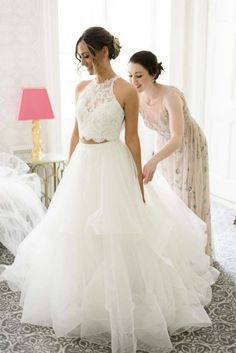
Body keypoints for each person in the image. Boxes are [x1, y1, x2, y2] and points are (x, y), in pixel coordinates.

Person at [0, 27, 219, 353]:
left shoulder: (125, 91)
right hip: (84, 166)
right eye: (80, 57)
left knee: (118, 234)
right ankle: (84, 296)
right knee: (76, 232)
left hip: (112, 163)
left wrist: (138, 180)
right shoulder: (81, 88)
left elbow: (131, 138)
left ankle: (121, 297)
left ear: (104, 51)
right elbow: (75, 133)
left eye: (87, 55)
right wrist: (68, 171)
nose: (84, 62)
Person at [128, 50, 213, 259]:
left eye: (139, 75)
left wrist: (153, 161)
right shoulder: (136, 98)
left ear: (153, 74)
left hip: (188, 145)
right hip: (163, 146)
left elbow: (177, 137)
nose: (133, 80)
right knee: (169, 198)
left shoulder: (170, 96)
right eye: (130, 75)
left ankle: (196, 255)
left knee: (188, 196)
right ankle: (176, 252)